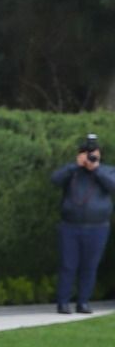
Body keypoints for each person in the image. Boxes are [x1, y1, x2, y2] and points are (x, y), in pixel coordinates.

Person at [52, 134, 114, 313]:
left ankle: (83, 301)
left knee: (90, 266)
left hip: (98, 227)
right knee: (67, 265)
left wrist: (95, 170)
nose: (91, 157)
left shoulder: (107, 171)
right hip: (70, 226)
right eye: (87, 154)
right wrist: (75, 165)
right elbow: (55, 179)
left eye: (94, 154)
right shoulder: (72, 171)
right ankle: (63, 302)